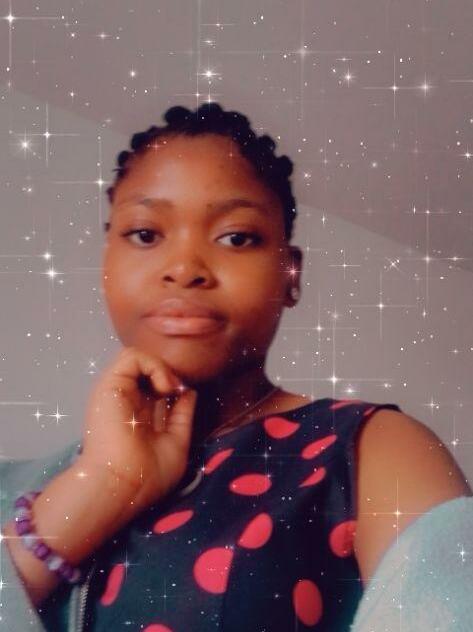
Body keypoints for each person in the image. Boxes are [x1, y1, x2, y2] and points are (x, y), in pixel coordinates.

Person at [0, 102, 471, 632]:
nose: (184, 269)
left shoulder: (369, 449)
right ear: (106, 262)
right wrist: (102, 486)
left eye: (236, 237)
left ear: (290, 274)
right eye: (146, 234)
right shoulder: (13, 487)